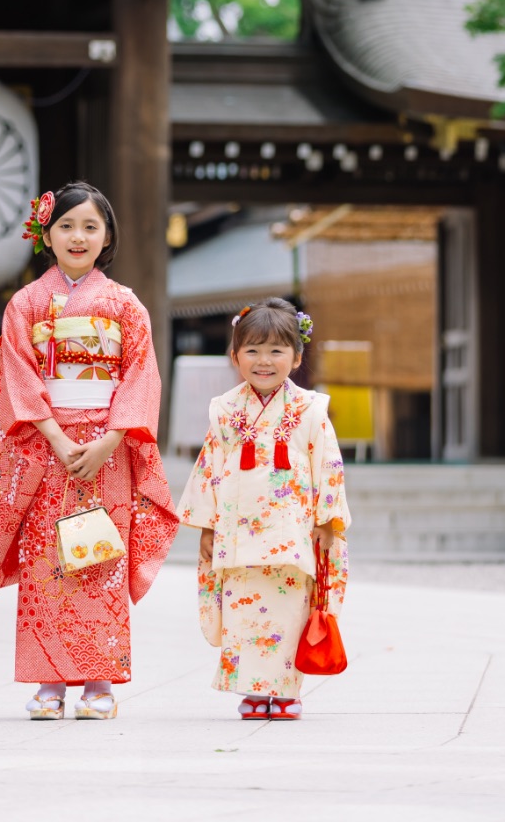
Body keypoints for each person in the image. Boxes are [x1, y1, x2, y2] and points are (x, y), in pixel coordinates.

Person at [0, 182, 178, 720]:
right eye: (66, 225)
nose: (78, 236)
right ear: (46, 234)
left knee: (99, 560)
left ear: (107, 236)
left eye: (90, 226)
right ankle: (48, 683)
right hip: (51, 446)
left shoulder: (124, 304)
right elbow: (17, 376)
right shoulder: (25, 303)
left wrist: (110, 438)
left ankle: (99, 682)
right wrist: (60, 438)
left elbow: (141, 376)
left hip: (107, 449)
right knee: (47, 561)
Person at [178, 297, 351, 720]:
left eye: (276, 350)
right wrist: (206, 524)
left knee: (290, 611)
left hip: (292, 533)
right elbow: (210, 466)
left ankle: (286, 691)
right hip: (237, 532)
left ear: (296, 356)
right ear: (234, 355)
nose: (264, 360)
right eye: (252, 350)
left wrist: (328, 521)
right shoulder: (225, 410)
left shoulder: (311, 409)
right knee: (244, 611)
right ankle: (253, 690)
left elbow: (327, 464)